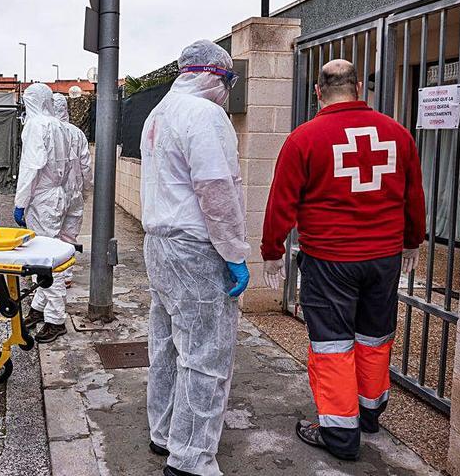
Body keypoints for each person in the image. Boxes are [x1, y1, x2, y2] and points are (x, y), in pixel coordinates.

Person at [261, 59, 426, 461]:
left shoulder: (305, 138)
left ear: (318, 92)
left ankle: (339, 434)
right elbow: (414, 194)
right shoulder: (398, 134)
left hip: (330, 258)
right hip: (384, 258)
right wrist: (413, 242)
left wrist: (272, 253)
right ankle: (370, 413)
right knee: (374, 336)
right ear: (358, 88)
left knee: (332, 345)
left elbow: (281, 202)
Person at [141, 40, 249, 476]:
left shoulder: (160, 111)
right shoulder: (204, 114)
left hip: (160, 244)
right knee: (206, 353)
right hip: (195, 248)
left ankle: (165, 432)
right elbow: (216, 189)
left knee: (167, 344)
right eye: (227, 81)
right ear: (214, 75)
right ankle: (191, 460)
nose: (227, 91)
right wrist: (234, 252)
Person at [13, 83, 73, 344]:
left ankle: (56, 319)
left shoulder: (36, 126)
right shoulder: (60, 126)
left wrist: (21, 202)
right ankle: (39, 308)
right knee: (46, 252)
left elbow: (31, 167)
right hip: (57, 194)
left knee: (48, 260)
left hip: (42, 197)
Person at [47, 93, 92, 289]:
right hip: (74, 192)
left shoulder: (46, 130)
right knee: (69, 236)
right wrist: (86, 191)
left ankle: (48, 276)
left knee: (49, 235)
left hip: (49, 194)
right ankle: (66, 275)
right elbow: (86, 167)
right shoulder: (77, 134)